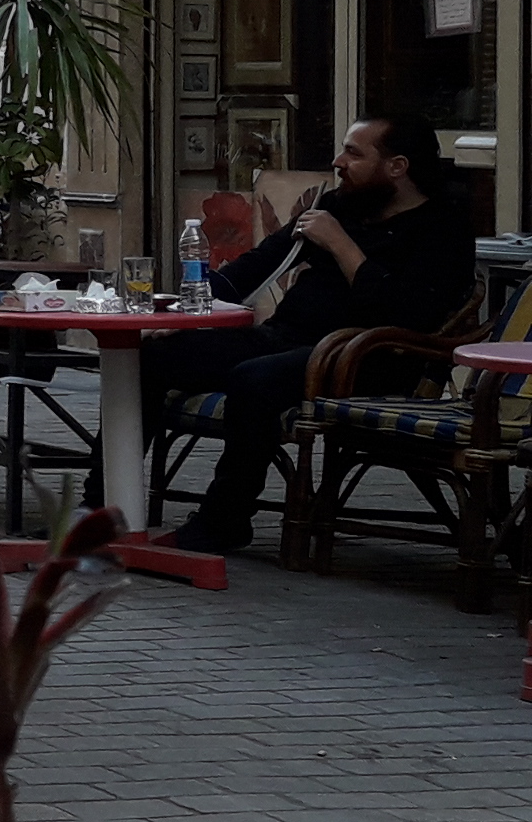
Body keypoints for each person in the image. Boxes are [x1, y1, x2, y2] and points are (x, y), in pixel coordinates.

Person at [150, 117, 475, 555]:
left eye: (354, 153)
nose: (338, 162)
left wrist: (341, 245)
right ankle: (103, 500)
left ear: (397, 166)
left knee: (254, 380)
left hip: (363, 360)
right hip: (285, 339)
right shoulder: (342, 204)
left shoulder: (442, 228)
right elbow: (259, 264)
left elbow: (405, 313)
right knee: (155, 353)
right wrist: (185, 309)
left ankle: (224, 521)